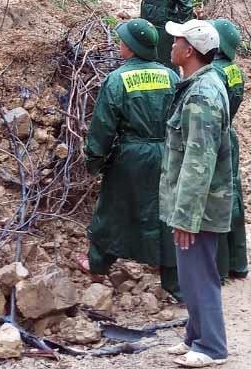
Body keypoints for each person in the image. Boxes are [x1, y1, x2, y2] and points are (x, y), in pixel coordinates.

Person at [81, 18, 182, 299]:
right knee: (166, 215)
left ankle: (98, 264)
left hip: (130, 155)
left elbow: (102, 126)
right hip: (166, 152)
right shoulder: (171, 76)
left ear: (132, 47)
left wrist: (95, 160)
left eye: (123, 41)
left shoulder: (116, 80)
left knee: (112, 209)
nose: (120, 45)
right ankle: (174, 283)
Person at [159, 20, 233, 368]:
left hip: (200, 207)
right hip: (195, 203)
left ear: (189, 51)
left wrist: (186, 216)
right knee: (191, 272)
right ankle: (194, 335)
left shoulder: (202, 94)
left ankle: (212, 347)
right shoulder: (196, 85)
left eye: (176, 41)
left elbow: (198, 160)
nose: (171, 45)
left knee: (198, 274)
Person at [211, 18, 248, 282]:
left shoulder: (213, 73)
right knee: (233, 196)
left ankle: (218, 267)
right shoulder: (234, 71)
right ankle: (238, 262)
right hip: (230, 136)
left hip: (214, 140)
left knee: (216, 200)